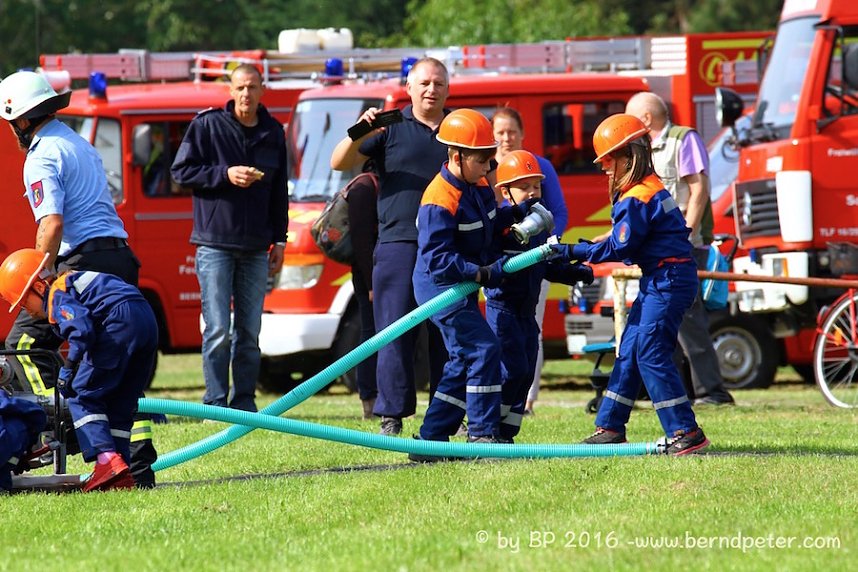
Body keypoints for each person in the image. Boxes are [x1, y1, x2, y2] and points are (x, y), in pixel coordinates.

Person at [0, 70, 158, 488]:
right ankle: (135, 464)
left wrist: (42, 277)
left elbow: (51, 225)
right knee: (121, 371)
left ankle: (52, 425)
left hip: (82, 263)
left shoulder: (41, 154)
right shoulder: (77, 142)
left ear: (19, 120)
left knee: (23, 345)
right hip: (120, 259)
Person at [550, 113, 709, 455]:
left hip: (667, 280)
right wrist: (577, 250)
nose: (604, 168)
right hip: (664, 278)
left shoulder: (637, 195)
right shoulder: (647, 188)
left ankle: (685, 431)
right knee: (632, 348)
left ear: (628, 155)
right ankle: (610, 426)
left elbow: (622, 246)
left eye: (607, 160)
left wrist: (573, 251)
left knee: (650, 352)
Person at [409, 108, 538, 460]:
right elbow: (438, 260)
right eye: (482, 160)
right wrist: (480, 273)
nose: (489, 167)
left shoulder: (478, 184)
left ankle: (430, 441)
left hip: (461, 280)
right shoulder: (439, 199)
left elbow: (491, 223)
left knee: (461, 359)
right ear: (456, 156)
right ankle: (481, 435)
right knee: (483, 349)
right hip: (439, 286)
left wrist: (520, 213)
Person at [330, 57, 449, 436]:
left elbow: (489, 174)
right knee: (393, 332)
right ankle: (392, 416)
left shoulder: (459, 128)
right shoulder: (390, 125)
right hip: (398, 243)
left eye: (439, 83)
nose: (431, 89)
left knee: (448, 334)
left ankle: (448, 411)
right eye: (424, 83)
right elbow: (339, 162)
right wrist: (359, 131)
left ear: (448, 88)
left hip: (447, 247)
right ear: (409, 88)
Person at [171, 64, 288, 413]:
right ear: (230, 90)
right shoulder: (207, 125)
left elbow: (279, 191)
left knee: (250, 332)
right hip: (214, 243)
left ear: (262, 89)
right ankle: (215, 404)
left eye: (252, 87)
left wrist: (280, 240)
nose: (246, 95)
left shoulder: (273, 132)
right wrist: (225, 174)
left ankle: (245, 404)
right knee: (219, 329)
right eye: (239, 88)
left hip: (256, 246)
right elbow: (181, 171)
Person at [0, 249, 158, 491]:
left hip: (118, 323)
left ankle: (106, 461)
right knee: (119, 403)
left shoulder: (57, 293)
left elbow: (81, 331)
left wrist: (69, 370)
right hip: (145, 320)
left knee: (80, 393)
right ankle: (121, 471)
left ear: (39, 287)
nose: (28, 311)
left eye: (24, 302)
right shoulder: (76, 281)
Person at [625, 92, 734, 406]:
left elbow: (698, 188)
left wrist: (684, 234)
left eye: (631, 117)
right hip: (656, 253)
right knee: (664, 327)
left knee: (689, 323)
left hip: (685, 248)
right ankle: (678, 394)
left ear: (645, 119)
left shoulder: (682, 139)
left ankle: (713, 392)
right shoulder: (642, 150)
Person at [486, 150, 593, 442]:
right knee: (511, 371)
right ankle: (487, 430)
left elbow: (543, 263)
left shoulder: (536, 230)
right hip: (504, 310)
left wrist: (572, 272)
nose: (533, 193)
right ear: (505, 191)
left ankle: (507, 433)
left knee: (526, 372)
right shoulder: (500, 227)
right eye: (524, 187)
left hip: (527, 312)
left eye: (536, 186)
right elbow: (493, 264)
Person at [491, 107, 569, 415]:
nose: (507, 138)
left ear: (522, 134)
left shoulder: (541, 166)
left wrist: (546, 244)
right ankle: (497, 402)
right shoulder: (483, 169)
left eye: (512, 131)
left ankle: (526, 401)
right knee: (498, 332)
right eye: (500, 132)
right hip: (496, 271)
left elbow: (559, 212)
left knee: (530, 330)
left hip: (536, 262)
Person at [346, 163, 379, 419]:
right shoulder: (364, 187)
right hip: (369, 277)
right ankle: (369, 400)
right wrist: (371, 284)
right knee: (371, 336)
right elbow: (361, 242)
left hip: (380, 275)